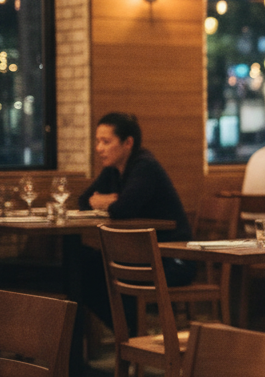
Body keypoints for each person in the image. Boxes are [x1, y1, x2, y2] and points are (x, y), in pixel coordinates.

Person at [78, 111, 195, 330]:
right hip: (141, 255)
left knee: (89, 269)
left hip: (171, 260)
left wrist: (110, 203)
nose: (99, 148)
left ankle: (131, 333)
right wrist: (109, 202)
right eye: (97, 141)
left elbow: (122, 208)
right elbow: (84, 200)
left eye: (106, 141)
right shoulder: (113, 170)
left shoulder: (145, 166)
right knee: (79, 261)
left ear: (127, 143)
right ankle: (129, 332)